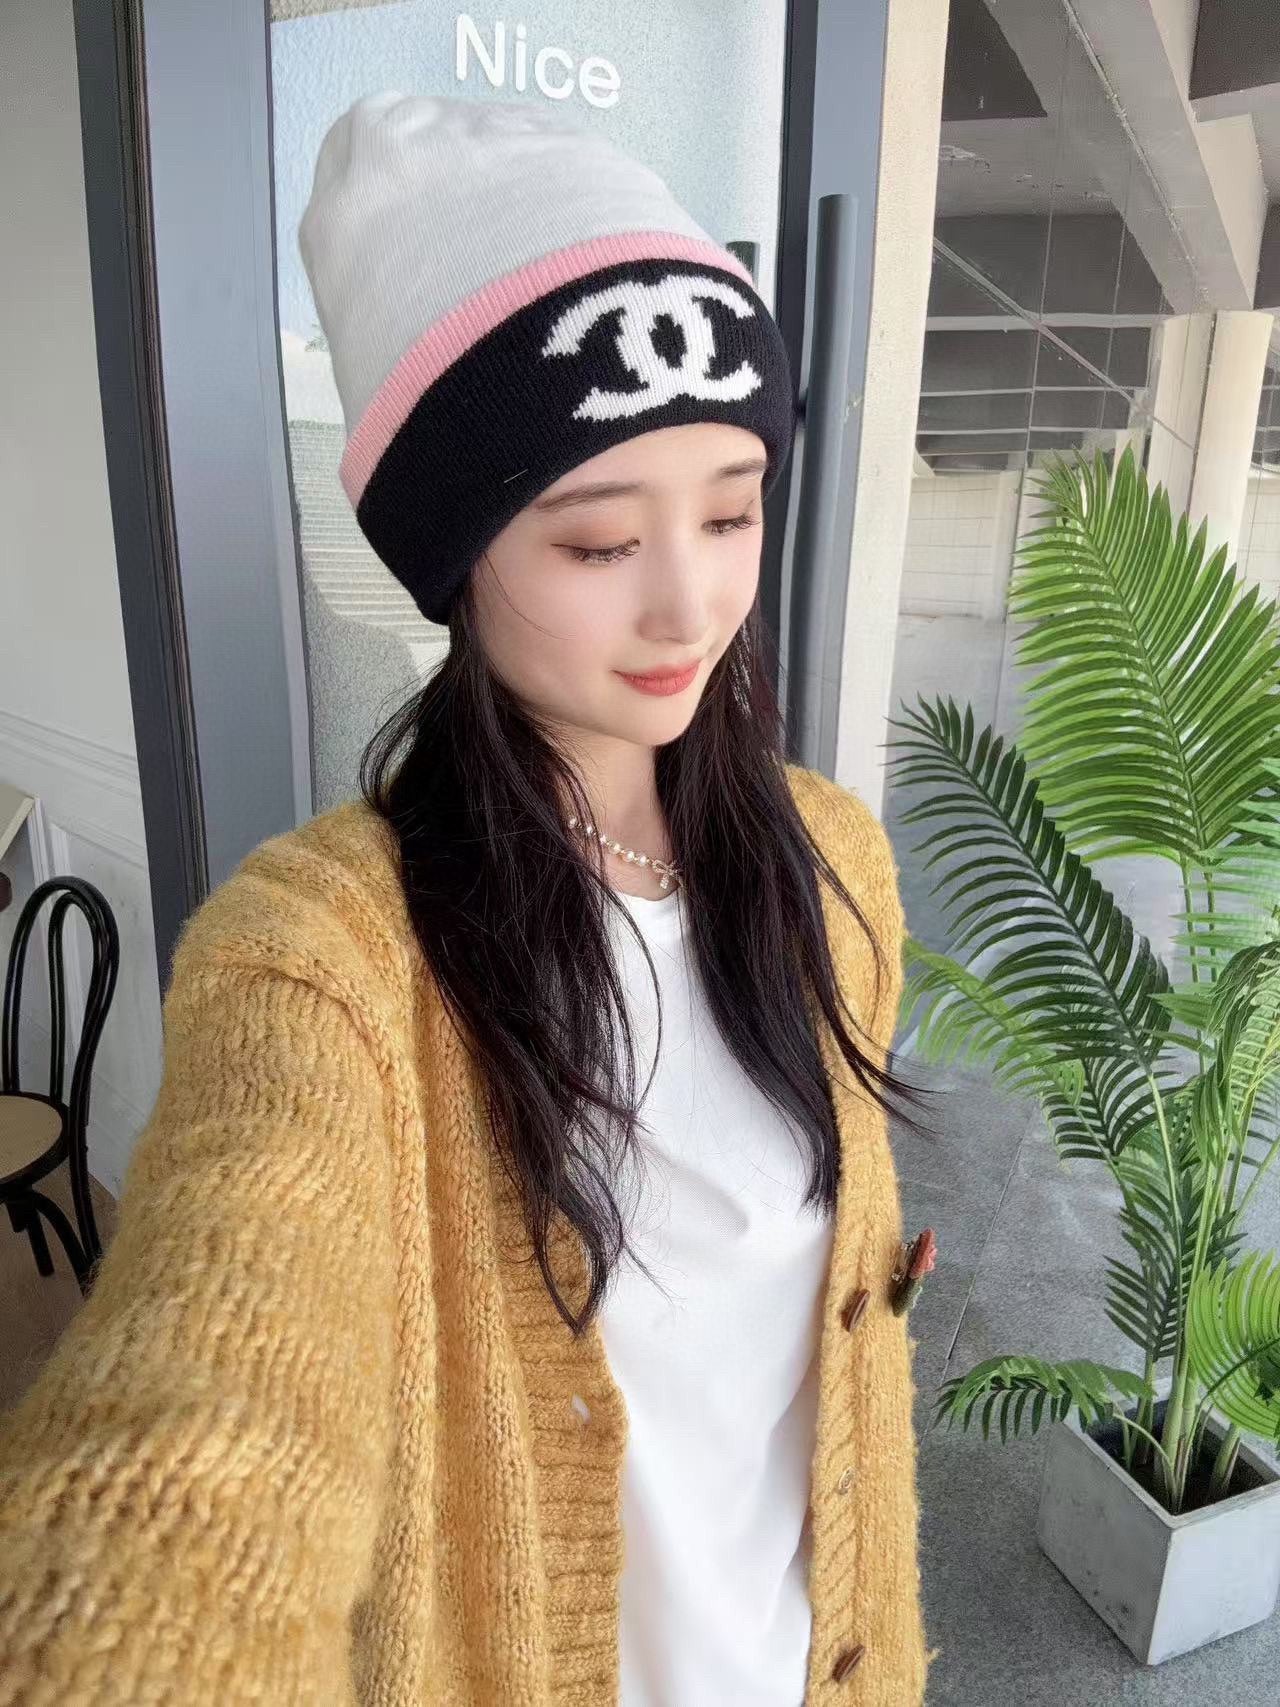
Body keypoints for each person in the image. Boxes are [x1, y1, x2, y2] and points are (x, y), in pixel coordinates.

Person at [0, 93, 936, 1705]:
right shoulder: (320, 960)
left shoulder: (833, 862)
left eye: (731, 510)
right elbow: (218, 1400)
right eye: (598, 542)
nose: (691, 602)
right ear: (453, 556)